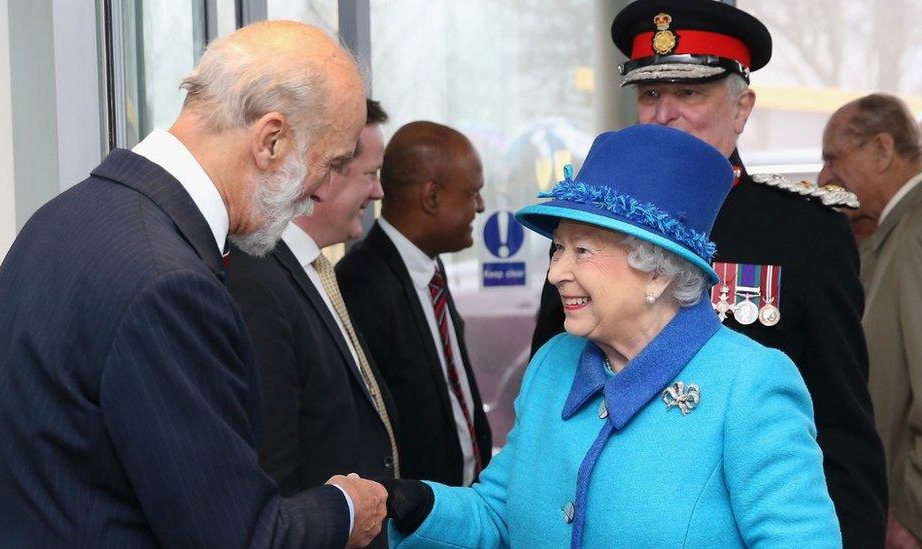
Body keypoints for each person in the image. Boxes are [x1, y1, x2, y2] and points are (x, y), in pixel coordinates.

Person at [0, 21, 387, 548]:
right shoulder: (168, 282)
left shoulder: (59, 220)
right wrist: (345, 508)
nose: (317, 193)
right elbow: (238, 538)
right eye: (329, 164)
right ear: (271, 140)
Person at [379, 124, 840, 548]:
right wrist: (411, 503)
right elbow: (499, 514)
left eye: (582, 251)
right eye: (558, 248)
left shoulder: (749, 384)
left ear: (657, 272)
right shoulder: (551, 363)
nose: (557, 272)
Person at [529, 2, 887, 545]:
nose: (664, 113)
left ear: (742, 108)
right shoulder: (591, 230)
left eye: (689, 93)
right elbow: (556, 385)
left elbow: (842, 430)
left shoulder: (804, 232)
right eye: (650, 94)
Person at [227, 98, 400, 548]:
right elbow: (272, 470)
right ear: (327, 172)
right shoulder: (258, 283)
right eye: (370, 174)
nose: (378, 192)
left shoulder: (313, 269)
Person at [335, 121, 492, 487]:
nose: (481, 207)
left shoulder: (429, 268)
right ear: (432, 197)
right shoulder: (361, 283)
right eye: (473, 193)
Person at [820, 93, 922, 549]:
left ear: (882, 149)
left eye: (833, 158)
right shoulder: (892, 231)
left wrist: (913, 514)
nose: (824, 177)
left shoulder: (917, 233)